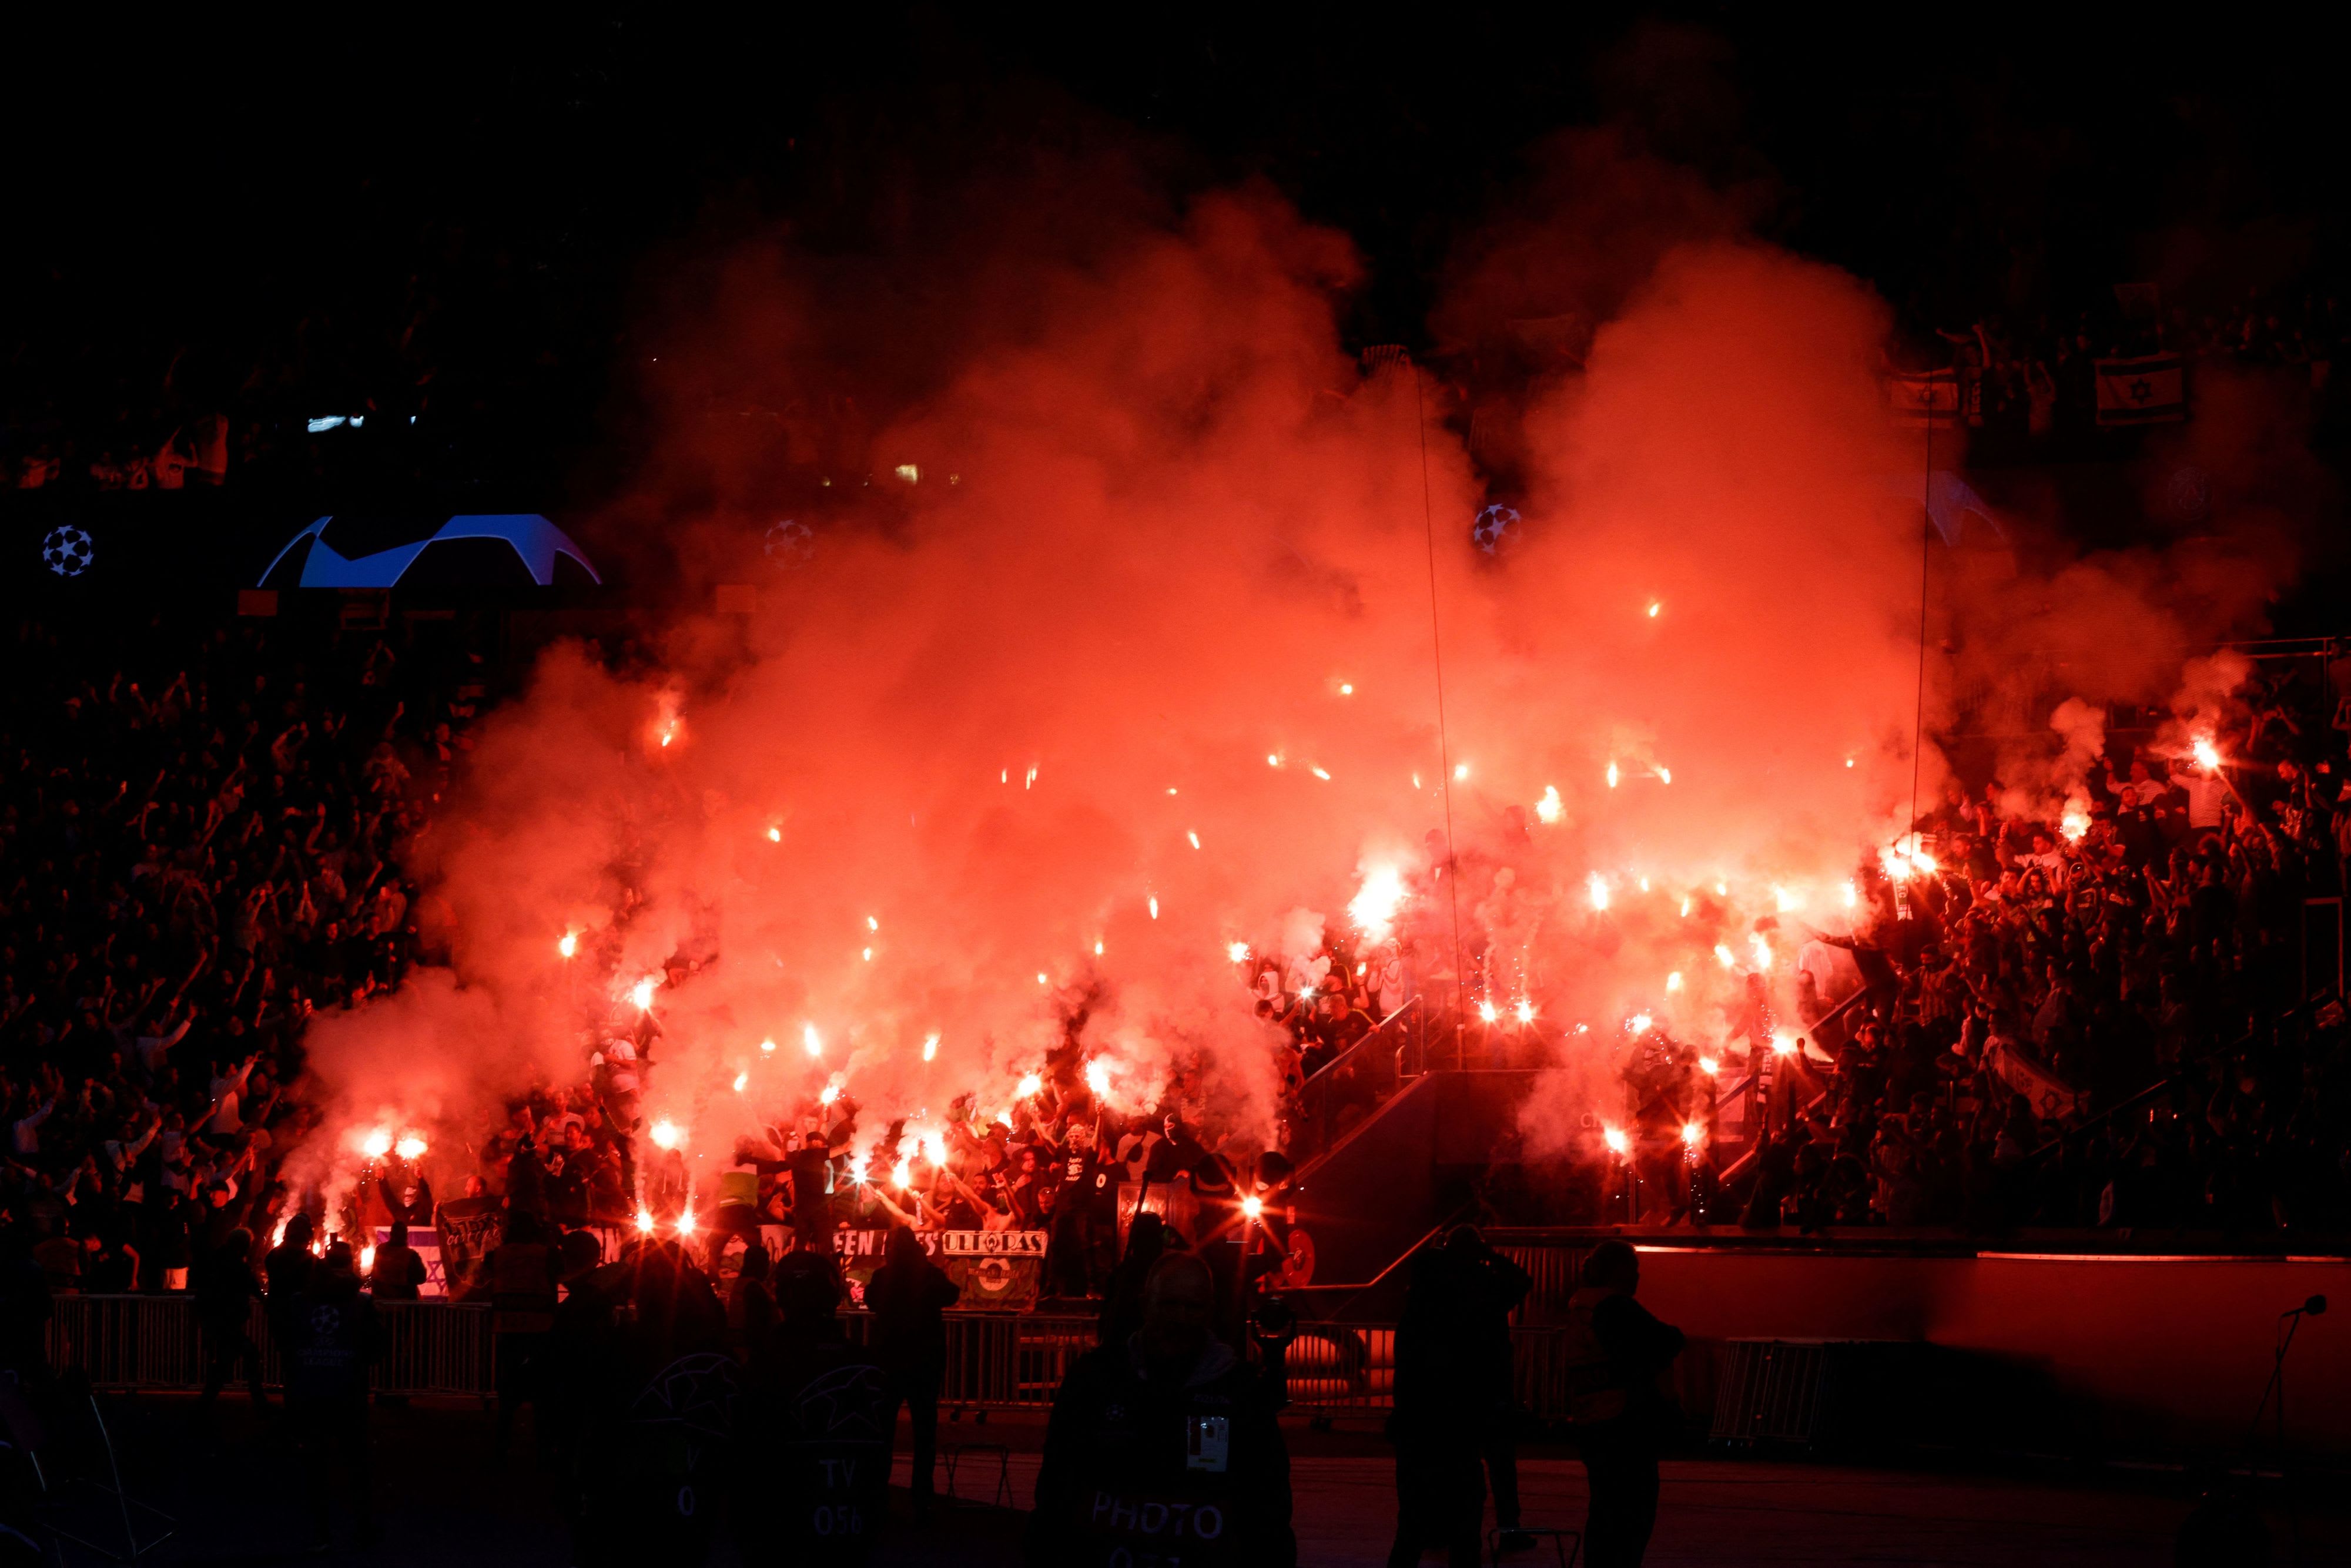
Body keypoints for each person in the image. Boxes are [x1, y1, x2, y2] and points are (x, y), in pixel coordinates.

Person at [1030, 1251, 1294, 1567]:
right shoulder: (1096, 1379)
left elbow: (1268, 1499)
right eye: (1169, 1304)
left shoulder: (1238, 1390)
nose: (1180, 1318)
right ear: (1145, 1306)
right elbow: (1057, 1484)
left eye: (1192, 1307)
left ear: (1210, 1312)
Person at [1562, 1240, 1684, 1568]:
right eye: (1635, 1270)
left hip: (1591, 1421)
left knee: (1603, 1509)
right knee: (1633, 1513)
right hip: (1624, 1424)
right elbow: (1667, 1340)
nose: (1638, 1277)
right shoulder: (1615, 1308)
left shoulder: (1579, 1309)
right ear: (1620, 1271)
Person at [283, 1241, 381, 1549]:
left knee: (315, 1465)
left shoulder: (301, 1301)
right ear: (351, 1264)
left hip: (311, 1393)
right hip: (349, 1392)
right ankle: (362, 1529)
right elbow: (377, 1348)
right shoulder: (363, 1303)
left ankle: (320, 1532)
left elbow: (288, 1341)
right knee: (356, 1464)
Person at [866, 1225, 959, 1513]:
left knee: (883, 1430)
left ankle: (879, 1489)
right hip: (923, 1362)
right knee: (925, 1430)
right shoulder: (928, 1276)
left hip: (889, 1361)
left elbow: (870, 1300)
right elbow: (951, 1294)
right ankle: (922, 1491)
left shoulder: (884, 1277)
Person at [484, 1209, 561, 1455]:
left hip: (508, 1330)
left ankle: (502, 1448)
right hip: (541, 1332)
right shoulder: (546, 1254)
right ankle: (543, 1449)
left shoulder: (498, 1255)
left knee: (507, 1397)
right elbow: (561, 1267)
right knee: (542, 1396)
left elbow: (485, 1269)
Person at [193, 1225, 268, 1417]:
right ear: (243, 1245)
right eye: (249, 1245)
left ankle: (204, 1405)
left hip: (218, 1321)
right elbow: (254, 1288)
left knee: (225, 1364)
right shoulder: (237, 1266)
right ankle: (260, 1403)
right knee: (249, 1356)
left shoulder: (216, 1261)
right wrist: (267, 1301)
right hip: (228, 1322)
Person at [368, 1221, 427, 1300]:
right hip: (402, 1304)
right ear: (406, 1236)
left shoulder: (380, 1250)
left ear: (391, 1234)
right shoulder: (410, 1255)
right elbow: (421, 1278)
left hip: (380, 1301)